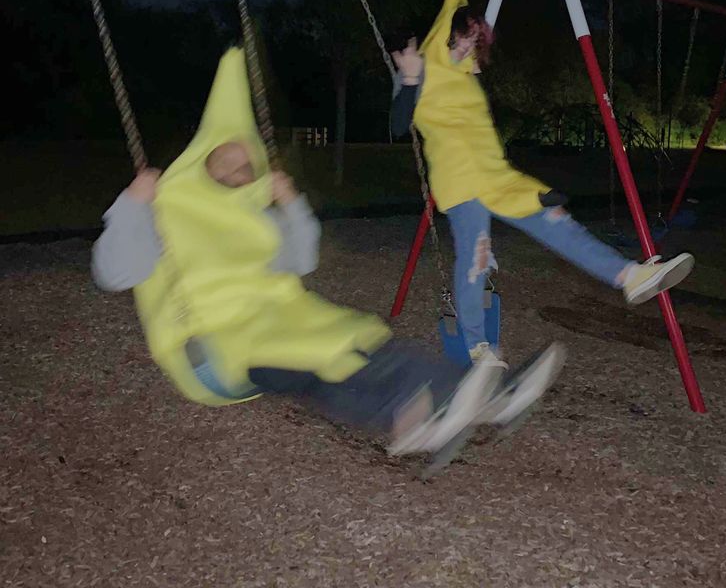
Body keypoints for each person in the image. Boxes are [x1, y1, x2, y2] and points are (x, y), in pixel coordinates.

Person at [92, 46, 565, 462]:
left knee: (349, 337)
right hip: (209, 348)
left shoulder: (256, 216)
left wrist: (291, 203)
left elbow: (301, 261)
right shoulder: (166, 210)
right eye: (226, 161)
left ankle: (443, 408)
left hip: (276, 320)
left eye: (246, 164)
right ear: (201, 161)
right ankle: (453, 397)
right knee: (317, 353)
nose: (239, 172)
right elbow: (115, 273)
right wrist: (132, 204)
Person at [390, 0, 694, 363]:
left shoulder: (469, 77)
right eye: (463, 37)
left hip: (498, 177)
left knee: (558, 221)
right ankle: (478, 347)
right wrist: (410, 79)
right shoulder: (421, 69)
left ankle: (631, 277)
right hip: (461, 183)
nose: (466, 47)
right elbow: (397, 126)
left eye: (474, 41)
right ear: (447, 30)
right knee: (475, 259)